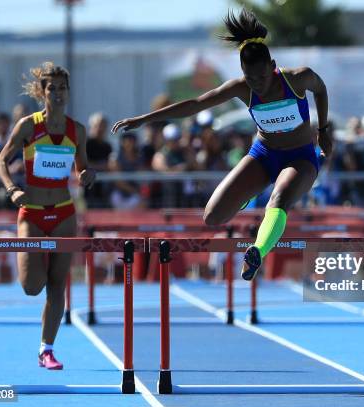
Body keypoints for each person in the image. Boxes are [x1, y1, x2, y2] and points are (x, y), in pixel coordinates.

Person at [113, 9, 331, 280]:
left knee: (278, 200)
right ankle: (248, 194)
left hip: (299, 158)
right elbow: (196, 104)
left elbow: (320, 89)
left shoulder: (298, 78)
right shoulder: (242, 88)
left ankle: (256, 253)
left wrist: (323, 130)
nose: (258, 85)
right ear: (243, 72)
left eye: (262, 77)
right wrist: (145, 119)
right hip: (264, 156)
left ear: (272, 65)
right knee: (213, 217)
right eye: (250, 78)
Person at [0, 62, 96, 369]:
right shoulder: (28, 125)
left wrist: (87, 175)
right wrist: (12, 189)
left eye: (62, 87)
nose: (58, 93)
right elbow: (0, 161)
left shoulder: (76, 130)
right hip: (32, 214)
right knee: (31, 286)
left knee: (57, 284)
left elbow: (84, 167)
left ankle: (46, 350)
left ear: (68, 91)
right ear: (42, 91)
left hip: (65, 213)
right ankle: (45, 345)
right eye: (51, 88)